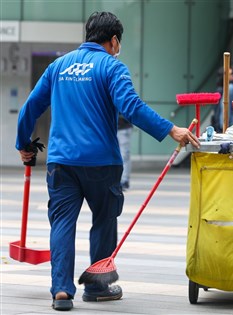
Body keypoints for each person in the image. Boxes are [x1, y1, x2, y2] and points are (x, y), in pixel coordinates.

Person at [15, 11, 200, 311]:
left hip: (61, 162)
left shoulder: (58, 66)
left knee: (62, 223)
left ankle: (61, 291)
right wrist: (171, 129)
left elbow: (30, 107)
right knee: (103, 220)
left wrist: (24, 144)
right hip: (101, 162)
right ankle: (97, 287)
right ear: (113, 41)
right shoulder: (113, 67)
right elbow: (131, 106)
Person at [117, 114, 133, 191]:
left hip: (123, 126)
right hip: (111, 126)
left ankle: (124, 181)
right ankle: (121, 180)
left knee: (124, 155)